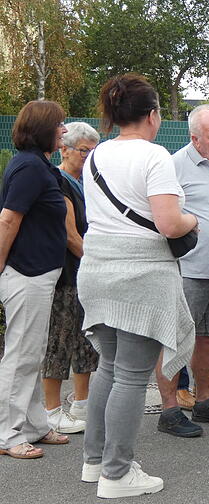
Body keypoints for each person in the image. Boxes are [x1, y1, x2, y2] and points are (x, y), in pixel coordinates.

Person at [78, 74, 198, 497]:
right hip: (140, 275)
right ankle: (117, 473)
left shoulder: (93, 157)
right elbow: (169, 223)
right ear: (152, 115)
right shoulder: (155, 156)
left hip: (96, 271)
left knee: (107, 369)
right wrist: (194, 220)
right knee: (131, 375)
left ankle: (95, 462)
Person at [155, 105, 209, 437]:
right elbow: (164, 217)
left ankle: (205, 401)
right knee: (176, 340)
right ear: (194, 138)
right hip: (189, 270)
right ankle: (170, 410)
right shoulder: (175, 166)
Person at [0, 100, 68, 460]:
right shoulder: (28, 168)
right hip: (26, 275)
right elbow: (8, 220)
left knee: (32, 353)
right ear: (44, 128)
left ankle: (34, 425)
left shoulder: (38, 165)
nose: (64, 130)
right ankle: (7, 434)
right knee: (21, 355)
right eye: (59, 125)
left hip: (40, 275)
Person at [42, 121, 100, 435]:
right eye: (83, 151)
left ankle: (82, 403)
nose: (88, 157)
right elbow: (70, 235)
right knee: (59, 341)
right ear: (64, 149)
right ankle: (51, 410)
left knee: (86, 340)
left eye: (94, 152)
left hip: (86, 273)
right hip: (65, 273)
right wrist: (98, 261)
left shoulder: (91, 181)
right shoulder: (58, 181)